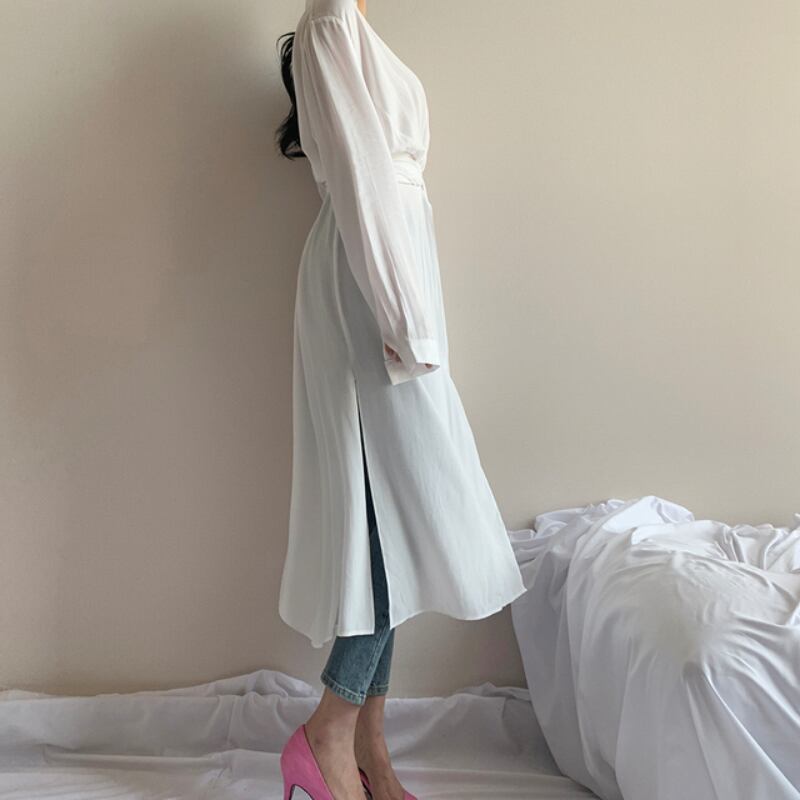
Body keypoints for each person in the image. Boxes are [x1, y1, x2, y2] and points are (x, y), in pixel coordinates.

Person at [274, 1, 527, 798]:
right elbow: (360, 179)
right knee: (397, 519)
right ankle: (330, 729)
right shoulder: (329, 23)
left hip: (393, 271)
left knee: (398, 516)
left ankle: (368, 744)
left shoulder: (352, 25)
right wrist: (403, 317)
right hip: (371, 286)